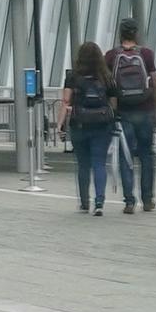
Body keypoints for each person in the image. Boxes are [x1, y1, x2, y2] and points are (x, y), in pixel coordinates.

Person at [106, 16, 156, 212]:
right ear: (136, 34)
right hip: (145, 111)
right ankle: (147, 199)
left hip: (124, 113)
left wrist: (113, 110)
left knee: (125, 156)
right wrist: (155, 108)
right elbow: (155, 81)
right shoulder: (146, 54)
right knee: (147, 155)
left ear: (120, 34)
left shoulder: (112, 56)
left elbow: (108, 86)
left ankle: (129, 201)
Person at [59, 40, 119, 216]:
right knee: (99, 163)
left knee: (83, 165)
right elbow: (114, 103)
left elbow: (65, 101)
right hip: (102, 125)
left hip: (79, 124)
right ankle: (99, 202)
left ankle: (84, 202)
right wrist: (112, 118)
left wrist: (59, 124)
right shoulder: (106, 76)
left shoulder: (73, 76)